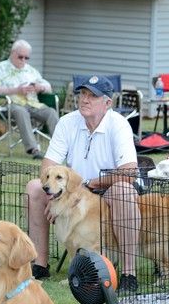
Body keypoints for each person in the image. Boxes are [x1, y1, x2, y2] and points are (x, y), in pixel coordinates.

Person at [25, 75, 141, 292]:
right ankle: (40, 264)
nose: (85, 99)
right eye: (83, 94)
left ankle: (128, 273)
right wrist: (52, 196)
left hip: (107, 189)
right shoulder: (67, 122)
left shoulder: (119, 124)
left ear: (108, 103)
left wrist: (91, 184)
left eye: (93, 96)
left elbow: (130, 172)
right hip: (75, 191)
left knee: (123, 190)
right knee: (34, 188)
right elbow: (47, 166)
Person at [0, 39, 59, 159]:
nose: (23, 60)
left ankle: (59, 148)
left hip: (33, 104)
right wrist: (16, 90)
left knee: (51, 112)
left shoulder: (31, 71)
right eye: (20, 57)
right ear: (12, 53)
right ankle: (34, 150)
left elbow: (48, 88)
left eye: (26, 58)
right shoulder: (0, 68)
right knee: (21, 111)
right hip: (10, 104)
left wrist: (39, 87)